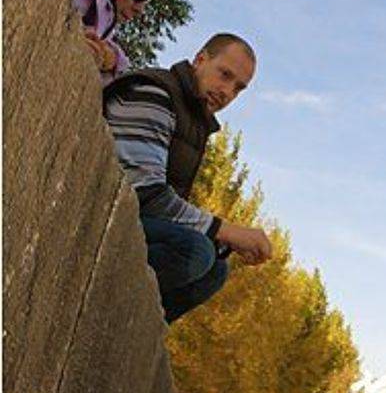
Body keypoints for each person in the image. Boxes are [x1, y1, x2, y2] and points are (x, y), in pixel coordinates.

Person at [103, 33, 272, 323]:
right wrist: (226, 231)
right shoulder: (155, 93)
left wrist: (223, 242)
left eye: (238, 88)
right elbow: (143, 193)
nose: (227, 92)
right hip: (99, 209)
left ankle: (133, 331)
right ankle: (103, 305)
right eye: (224, 75)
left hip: (130, 218)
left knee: (215, 269)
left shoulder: (193, 121)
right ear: (200, 59)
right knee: (195, 251)